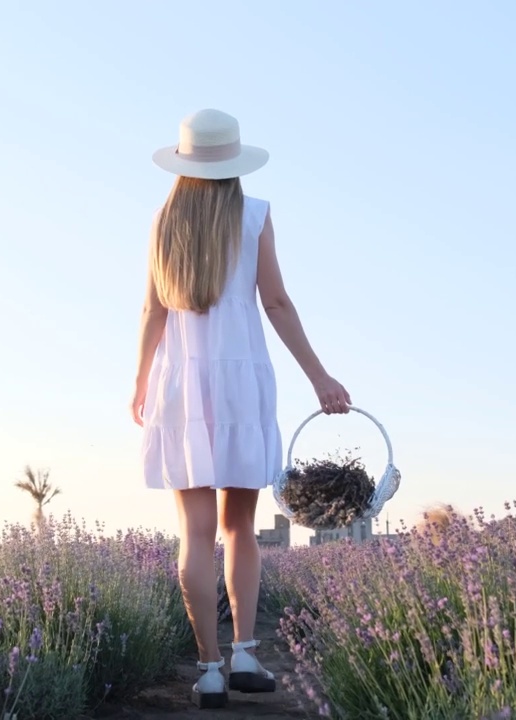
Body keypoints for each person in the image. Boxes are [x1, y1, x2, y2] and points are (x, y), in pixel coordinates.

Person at [131, 108, 351, 709]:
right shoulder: (254, 215)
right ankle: (245, 654)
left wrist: (141, 381)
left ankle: (207, 670)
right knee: (239, 530)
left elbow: (152, 313)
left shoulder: (163, 221)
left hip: (180, 385)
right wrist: (320, 377)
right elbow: (276, 302)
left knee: (195, 533)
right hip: (240, 382)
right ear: (233, 163)